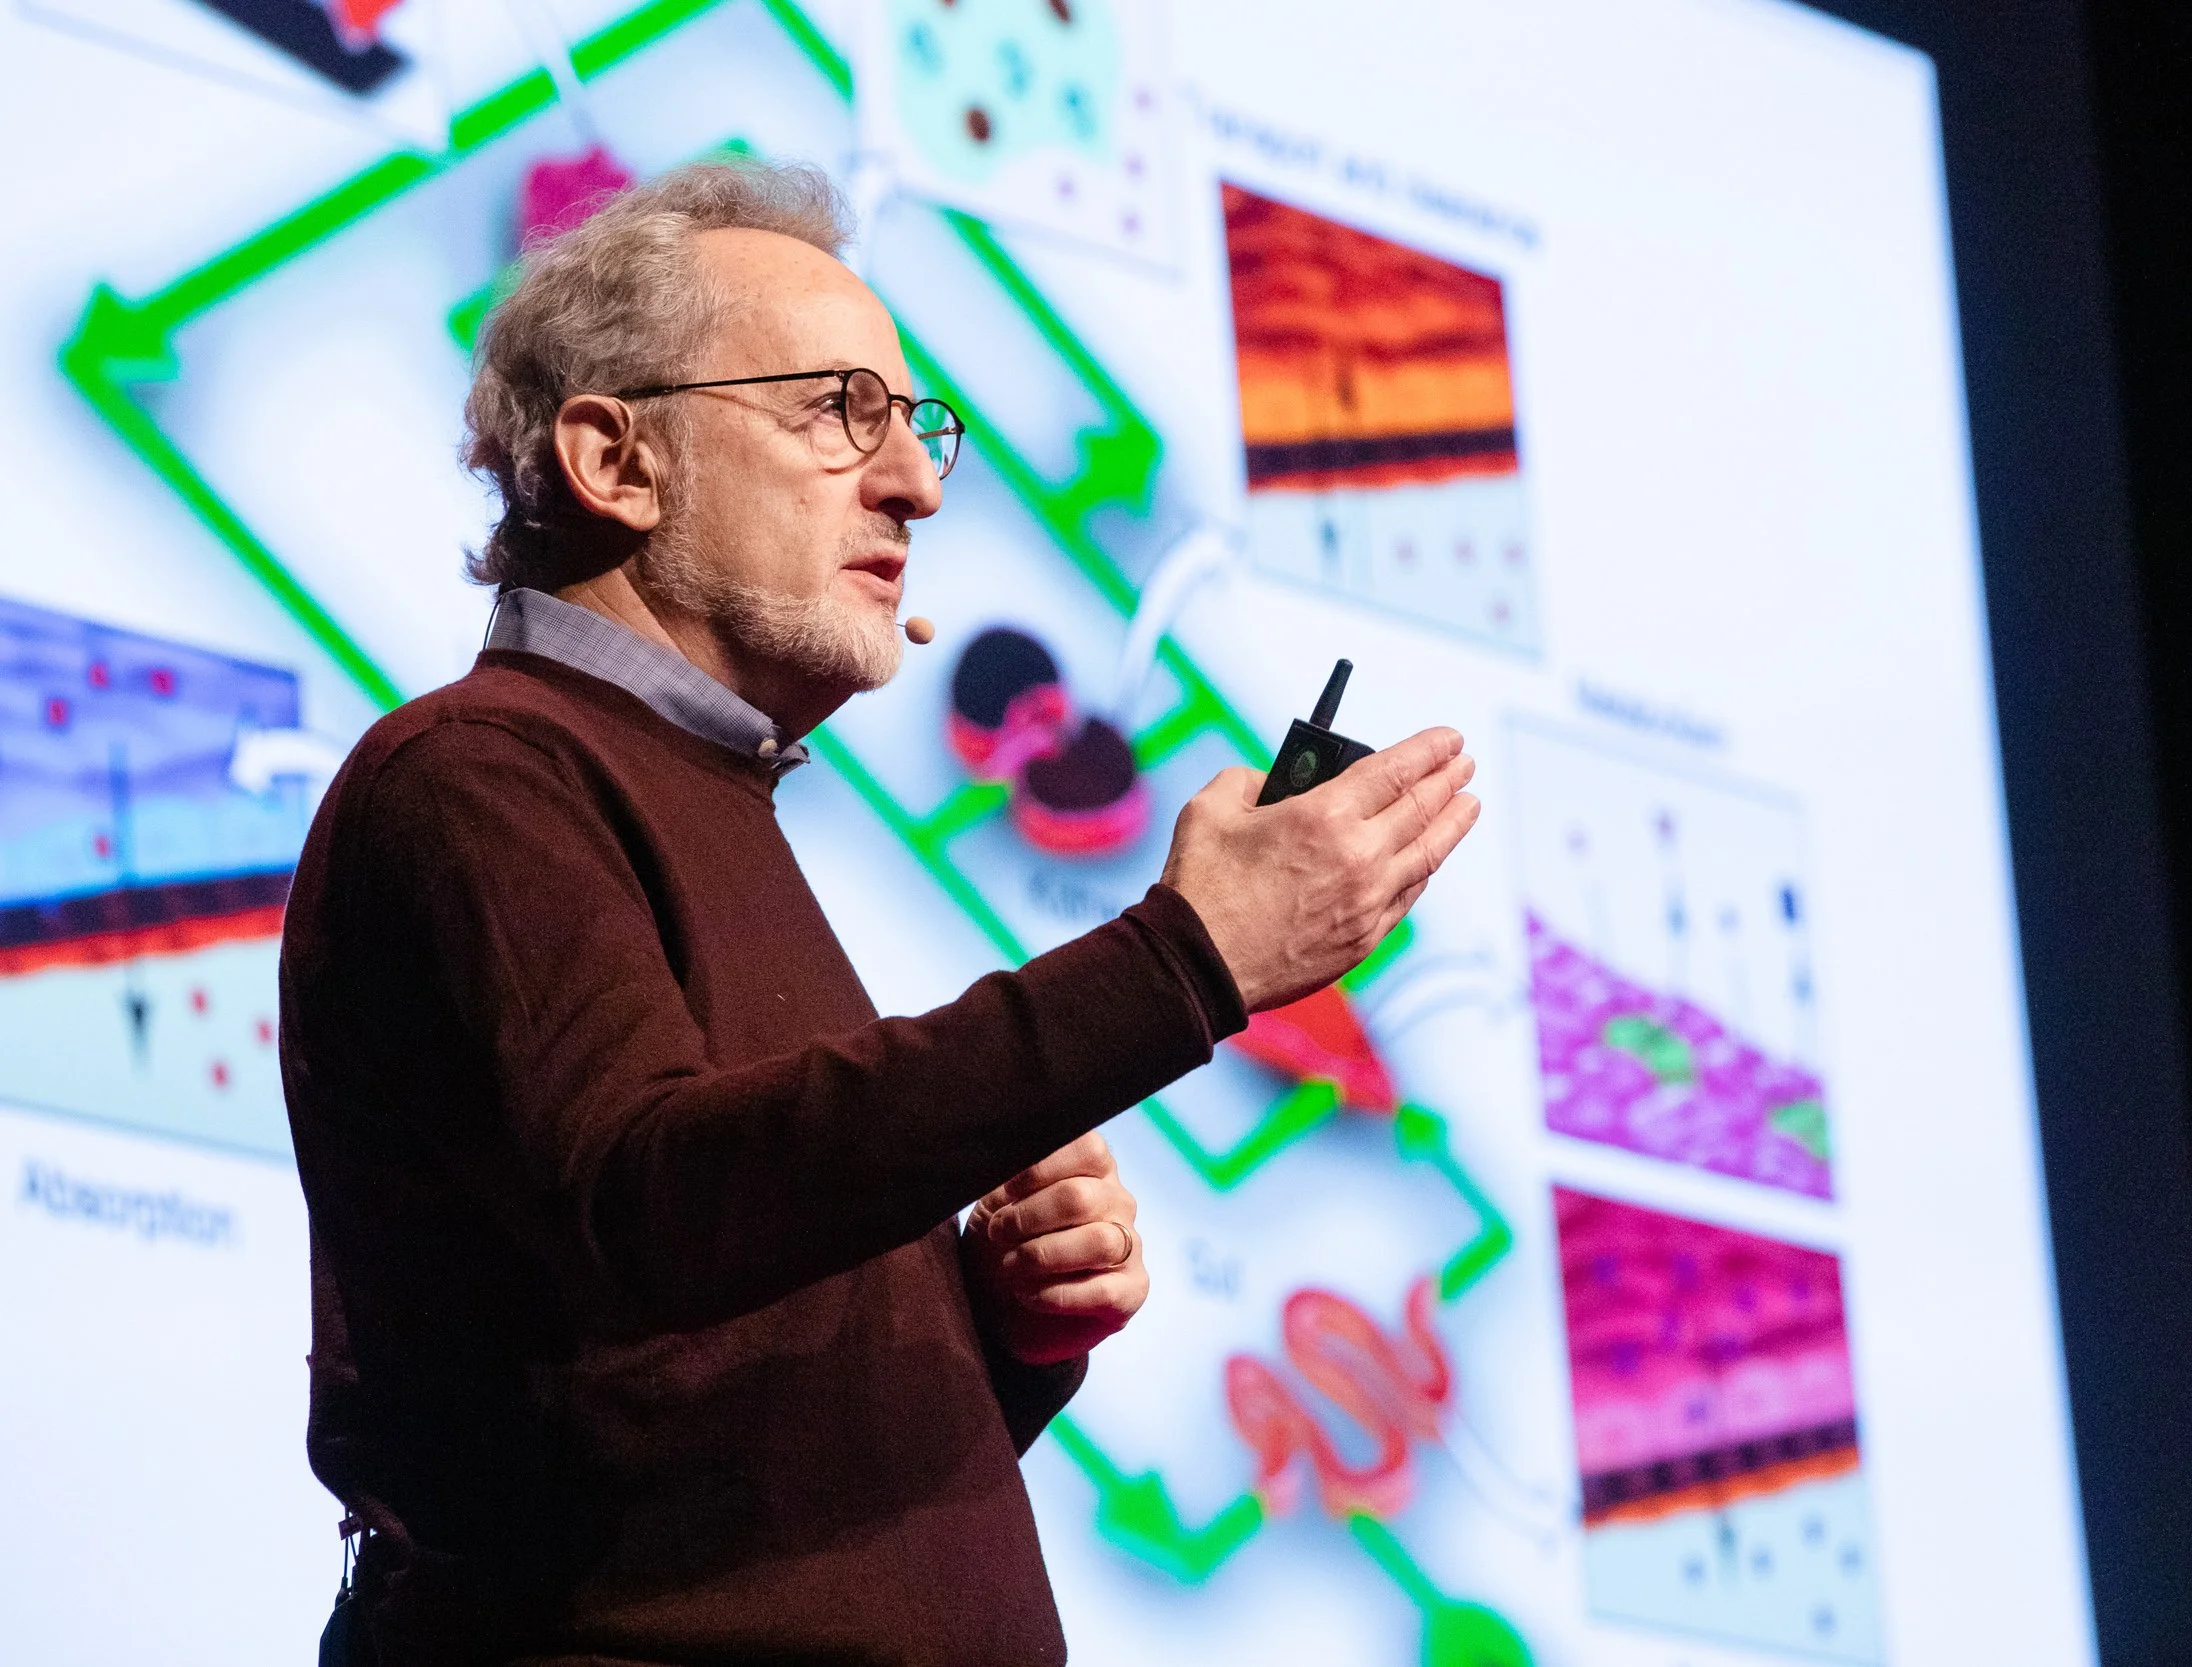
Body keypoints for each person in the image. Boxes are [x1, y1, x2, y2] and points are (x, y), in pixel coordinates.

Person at [279, 160, 1478, 1666]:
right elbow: (651, 1203)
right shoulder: (483, 773)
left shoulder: (710, 806)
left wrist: (992, 1335)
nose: (914, 480)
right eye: (839, 410)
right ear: (615, 458)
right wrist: (1185, 958)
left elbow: (694, 1422)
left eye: (919, 429)